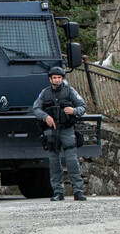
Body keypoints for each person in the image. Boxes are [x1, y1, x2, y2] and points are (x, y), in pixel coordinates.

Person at [32, 66, 88, 201]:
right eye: (54, 78)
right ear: (50, 79)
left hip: (67, 130)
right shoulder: (45, 93)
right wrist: (46, 117)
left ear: (62, 78)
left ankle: (78, 191)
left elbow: (83, 107)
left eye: (59, 78)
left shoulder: (70, 91)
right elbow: (36, 108)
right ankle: (58, 192)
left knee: (72, 161)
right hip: (51, 131)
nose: (57, 80)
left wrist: (73, 111)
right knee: (54, 162)